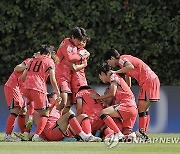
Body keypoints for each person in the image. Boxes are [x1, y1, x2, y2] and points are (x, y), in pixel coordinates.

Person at [104, 48, 160, 139]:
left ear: (112, 58)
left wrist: (115, 72)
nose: (109, 64)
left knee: (141, 109)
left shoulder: (122, 59)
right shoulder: (123, 65)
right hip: (151, 80)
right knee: (144, 109)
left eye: (108, 62)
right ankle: (143, 133)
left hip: (148, 81)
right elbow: (128, 81)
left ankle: (141, 132)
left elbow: (130, 67)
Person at [16, 92, 101, 142]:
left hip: (59, 130)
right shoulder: (45, 106)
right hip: (52, 131)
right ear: (50, 99)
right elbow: (43, 115)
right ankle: (84, 136)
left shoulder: (58, 109)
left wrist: (73, 134)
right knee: (68, 114)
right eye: (56, 97)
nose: (59, 99)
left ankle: (88, 135)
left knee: (83, 116)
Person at [21, 44, 61, 141]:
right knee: (45, 113)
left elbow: (23, 77)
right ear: (48, 54)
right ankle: (37, 136)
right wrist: (58, 92)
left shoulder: (31, 60)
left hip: (26, 88)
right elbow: (52, 79)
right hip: (38, 88)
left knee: (31, 106)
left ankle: (26, 132)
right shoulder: (49, 61)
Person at [89, 63, 138, 141]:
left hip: (127, 105)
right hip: (133, 108)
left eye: (100, 77)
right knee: (126, 136)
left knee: (103, 113)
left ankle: (119, 134)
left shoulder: (113, 77)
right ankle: (132, 135)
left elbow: (112, 93)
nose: (101, 79)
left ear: (102, 74)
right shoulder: (117, 77)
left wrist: (98, 97)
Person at [55, 27, 90, 114]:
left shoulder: (79, 49)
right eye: (79, 40)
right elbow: (70, 58)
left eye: (83, 41)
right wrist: (82, 58)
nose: (80, 42)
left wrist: (84, 59)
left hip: (69, 77)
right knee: (64, 102)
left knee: (68, 104)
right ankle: (50, 115)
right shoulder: (66, 42)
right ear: (73, 37)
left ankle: (61, 124)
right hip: (61, 75)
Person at [4, 56, 33, 141]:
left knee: (23, 110)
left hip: (20, 89)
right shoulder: (30, 61)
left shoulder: (39, 66)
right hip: (13, 86)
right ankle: (8, 136)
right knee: (15, 111)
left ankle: (23, 134)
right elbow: (17, 68)